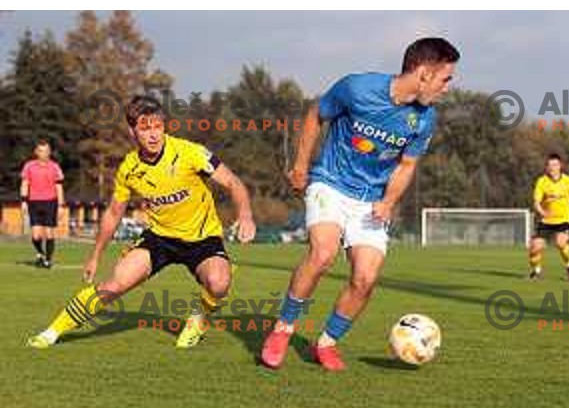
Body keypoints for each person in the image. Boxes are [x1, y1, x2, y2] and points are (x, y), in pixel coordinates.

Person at [261, 37, 460, 371]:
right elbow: (315, 115)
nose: (447, 87)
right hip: (331, 183)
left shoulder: (425, 119)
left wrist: (389, 200)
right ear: (424, 73)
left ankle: (326, 344)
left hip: (371, 201)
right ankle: (283, 329)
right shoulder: (357, 88)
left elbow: (407, 165)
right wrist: (300, 165)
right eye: (445, 79)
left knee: (365, 278)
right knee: (323, 253)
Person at [28, 95, 256, 349]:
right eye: (145, 128)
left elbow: (233, 182)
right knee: (116, 284)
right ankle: (51, 332)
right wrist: (95, 255)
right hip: (159, 238)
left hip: (202, 238)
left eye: (157, 126)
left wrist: (245, 215)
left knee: (218, 283)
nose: (153, 135)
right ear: (132, 130)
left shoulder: (190, 152)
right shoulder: (130, 168)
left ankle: (199, 320)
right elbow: (114, 213)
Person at [529, 153, 569, 281]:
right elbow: (536, 202)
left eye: (555, 164)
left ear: (560, 166)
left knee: (560, 242)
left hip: (564, 218)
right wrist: (542, 212)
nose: (552, 167)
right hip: (546, 219)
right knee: (535, 249)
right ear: (546, 167)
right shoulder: (542, 182)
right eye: (549, 165)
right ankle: (536, 271)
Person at [20, 140, 65, 268]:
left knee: (50, 233)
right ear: (36, 152)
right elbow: (24, 184)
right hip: (34, 202)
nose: (43, 153)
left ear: (49, 152)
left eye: (46, 151)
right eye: (40, 151)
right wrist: (23, 201)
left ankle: (48, 260)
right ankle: (40, 253)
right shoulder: (29, 166)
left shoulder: (55, 167)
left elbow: (59, 187)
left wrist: (61, 205)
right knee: (35, 235)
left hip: (51, 202)